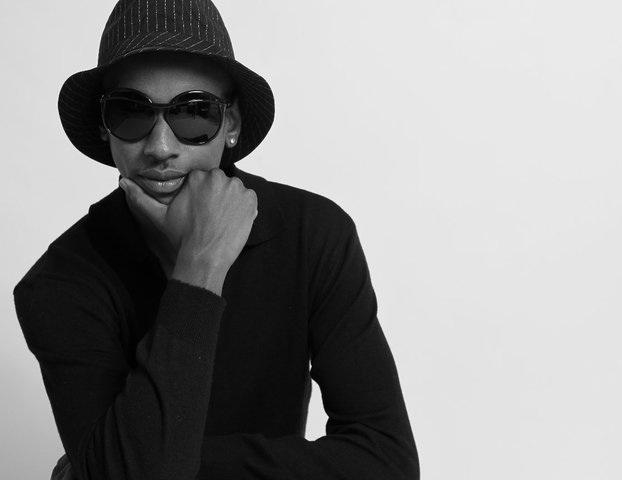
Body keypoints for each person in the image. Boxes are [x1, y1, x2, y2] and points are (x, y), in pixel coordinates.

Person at [12, 1, 419, 479]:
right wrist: (200, 267)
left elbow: (388, 463)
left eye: (194, 113)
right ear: (105, 128)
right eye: (130, 112)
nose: (160, 148)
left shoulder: (313, 234)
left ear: (232, 125)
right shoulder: (60, 284)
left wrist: (149, 463)